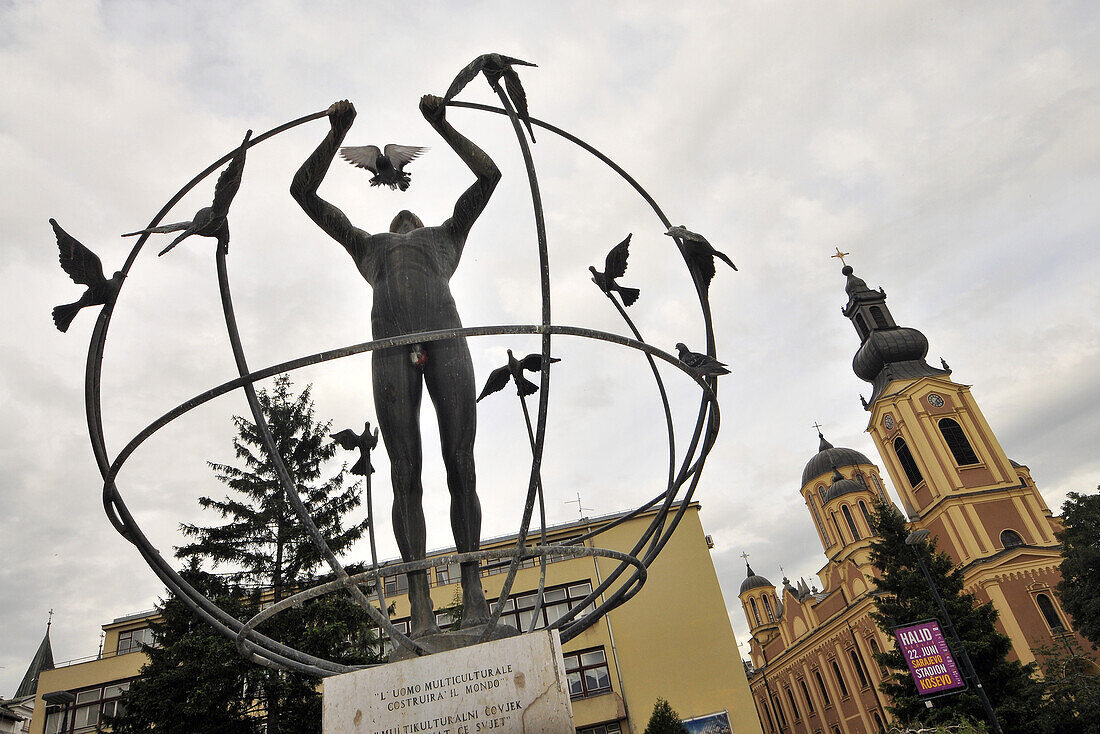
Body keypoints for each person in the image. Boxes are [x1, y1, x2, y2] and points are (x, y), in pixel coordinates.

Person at [290, 95, 499, 637]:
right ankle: (421, 604)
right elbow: (303, 194)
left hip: (446, 341)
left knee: (461, 464)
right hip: (390, 351)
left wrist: (442, 124)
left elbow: (489, 174)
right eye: (399, 217)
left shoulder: (447, 237)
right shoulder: (369, 246)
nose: (405, 218)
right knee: (405, 475)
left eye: (411, 216)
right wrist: (338, 131)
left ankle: (474, 591)